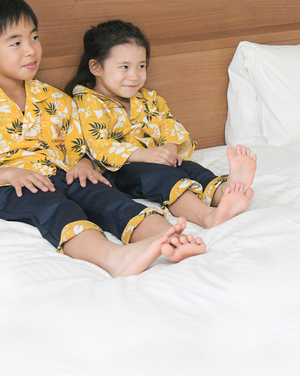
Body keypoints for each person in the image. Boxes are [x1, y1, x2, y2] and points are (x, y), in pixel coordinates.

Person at [0, 0, 205, 277]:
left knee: (102, 194)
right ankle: (112, 257)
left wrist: (83, 165)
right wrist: (10, 174)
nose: (31, 50)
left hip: (59, 174)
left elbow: (79, 148)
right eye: (16, 43)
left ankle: (170, 239)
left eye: (34, 37)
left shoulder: (56, 99)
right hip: (5, 188)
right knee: (54, 207)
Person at [65, 20, 255, 229]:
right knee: (164, 178)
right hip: (119, 170)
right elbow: (99, 146)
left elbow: (168, 124)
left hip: (154, 159)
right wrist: (144, 155)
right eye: (124, 67)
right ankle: (206, 216)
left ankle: (225, 191)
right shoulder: (87, 102)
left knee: (188, 167)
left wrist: (169, 149)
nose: (134, 76)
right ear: (96, 67)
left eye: (141, 66)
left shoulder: (147, 98)